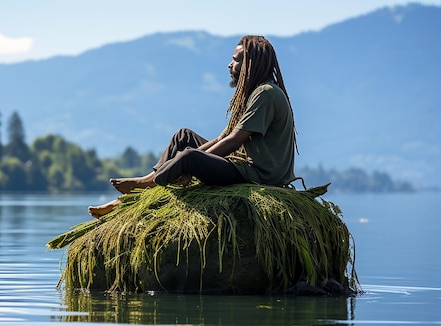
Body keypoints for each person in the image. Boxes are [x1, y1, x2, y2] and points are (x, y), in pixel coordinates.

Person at [89, 35, 297, 218]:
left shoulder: (266, 93)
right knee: (184, 137)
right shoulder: (254, 93)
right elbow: (221, 138)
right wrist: (187, 162)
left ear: (250, 65)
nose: (229, 65)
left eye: (235, 60)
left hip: (258, 176)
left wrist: (191, 161)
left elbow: (234, 141)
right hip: (245, 167)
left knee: (189, 156)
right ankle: (148, 181)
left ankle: (145, 184)